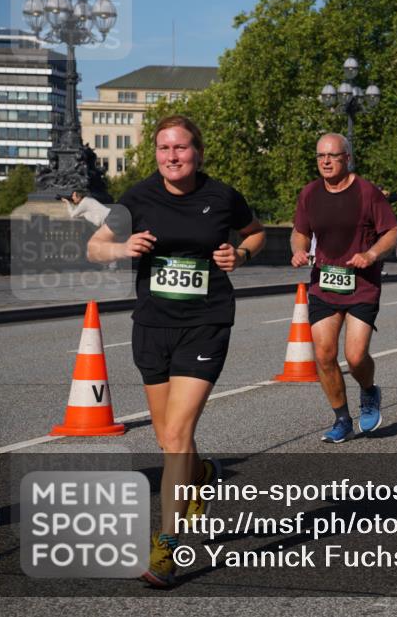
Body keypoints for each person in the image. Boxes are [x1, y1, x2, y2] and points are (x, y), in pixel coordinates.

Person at [87, 115, 266, 587]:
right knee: (169, 441)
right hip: (152, 326)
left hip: (206, 324)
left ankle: (166, 548)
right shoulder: (138, 198)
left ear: (198, 152)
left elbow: (255, 232)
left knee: (178, 436)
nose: (172, 156)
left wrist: (241, 254)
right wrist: (122, 248)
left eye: (181, 148)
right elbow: (95, 247)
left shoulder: (222, 195)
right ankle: (201, 473)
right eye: (164, 149)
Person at [290, 133, 397, 443]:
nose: (325, 161)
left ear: (347, 158)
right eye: (320, 156)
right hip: (324, 282)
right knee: (324, 355)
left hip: (361, 285)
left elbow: (392, 231)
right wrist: (299, 250)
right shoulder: (310, 193)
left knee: (354, 357)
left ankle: (369, 391)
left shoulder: (367, 192)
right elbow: (300, 232)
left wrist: (371, 254)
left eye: (332, 156)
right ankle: (341, 418)